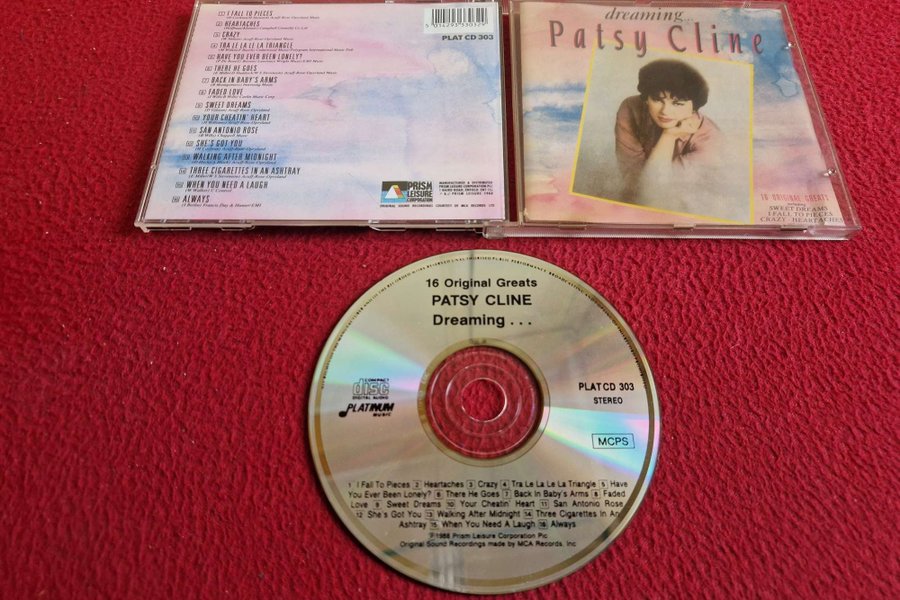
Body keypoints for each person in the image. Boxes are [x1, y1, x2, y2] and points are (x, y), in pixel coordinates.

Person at [614, 59, 722, 206]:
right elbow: (632, 177)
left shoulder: (710, 141)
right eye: (657, 99)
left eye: (678, 103)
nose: (665, 111)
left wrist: (668, 136)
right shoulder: (631, 108)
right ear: (646, 99)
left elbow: (655, 191)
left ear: (694, 107)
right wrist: (669, 135)